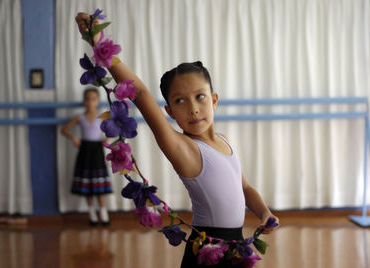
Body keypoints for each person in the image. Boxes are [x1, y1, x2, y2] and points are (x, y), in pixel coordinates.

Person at [75, 13, 279, 267]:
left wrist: (264, 212)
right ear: (169, 112)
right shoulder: (183, 148)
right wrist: (99, 43)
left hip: (235, 247)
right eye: (180, 101)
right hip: (206, 251)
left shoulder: (225, 141)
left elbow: (245, 189)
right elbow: (139, 93)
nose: (193, 108)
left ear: (214, 100)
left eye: (200, 97)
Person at [61, 88, 112, 226]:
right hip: (84, 151)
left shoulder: (102, 117)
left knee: (99, 183)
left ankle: (103, 212)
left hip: (97, 151)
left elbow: (112, 129)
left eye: (93, 99)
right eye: (88, 99)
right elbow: (64, 129)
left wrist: (107, 138)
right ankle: (91, 213)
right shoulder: (80, 117)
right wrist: (73, 138)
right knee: (87, 184)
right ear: (84, 101)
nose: (90, 102)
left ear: (98, 101)